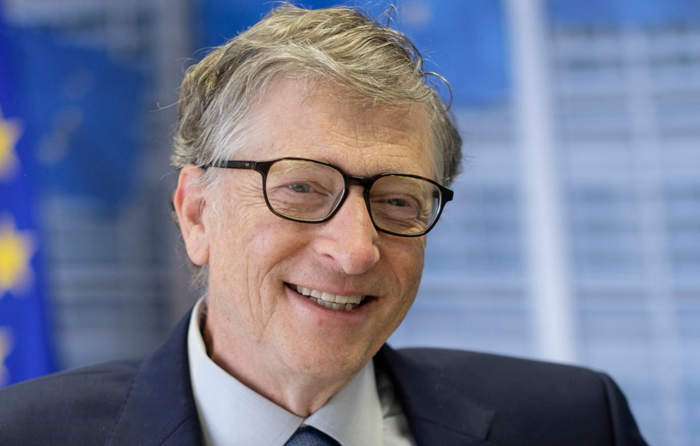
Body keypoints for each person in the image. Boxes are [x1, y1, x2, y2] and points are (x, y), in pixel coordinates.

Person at [0, 4, 648, 445]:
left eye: (398, 201)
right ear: (197, 213)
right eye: (303, 189)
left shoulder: (575, 422)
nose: (357, 250)